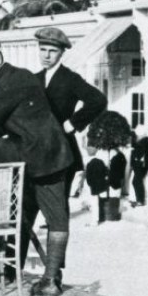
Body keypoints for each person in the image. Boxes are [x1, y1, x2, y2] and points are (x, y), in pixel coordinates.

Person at [0, 37, 73, 296]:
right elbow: (5, 118)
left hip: (44, 159)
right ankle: (11, 270)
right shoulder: (16, 79)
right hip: (39, 156)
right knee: (22, 215)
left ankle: (51, 281)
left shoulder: (10, 83)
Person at [34, 28, 107, 199]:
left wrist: (73, 123)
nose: (46, 55)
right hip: (37, 152)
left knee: (58, 205)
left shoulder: (70, 79)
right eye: (43, 50)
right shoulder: (34, 79)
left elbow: (98, 100)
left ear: (61, 54)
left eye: (52, 51)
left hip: (62, 152)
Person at [130, 125, 148, 206]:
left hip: (140, 164)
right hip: (140, 164)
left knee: (137, 181)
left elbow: (140, 153)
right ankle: (139, 199)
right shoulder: (145, 141)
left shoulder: (143, 142)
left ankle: (140, 200)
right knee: (136, 181)